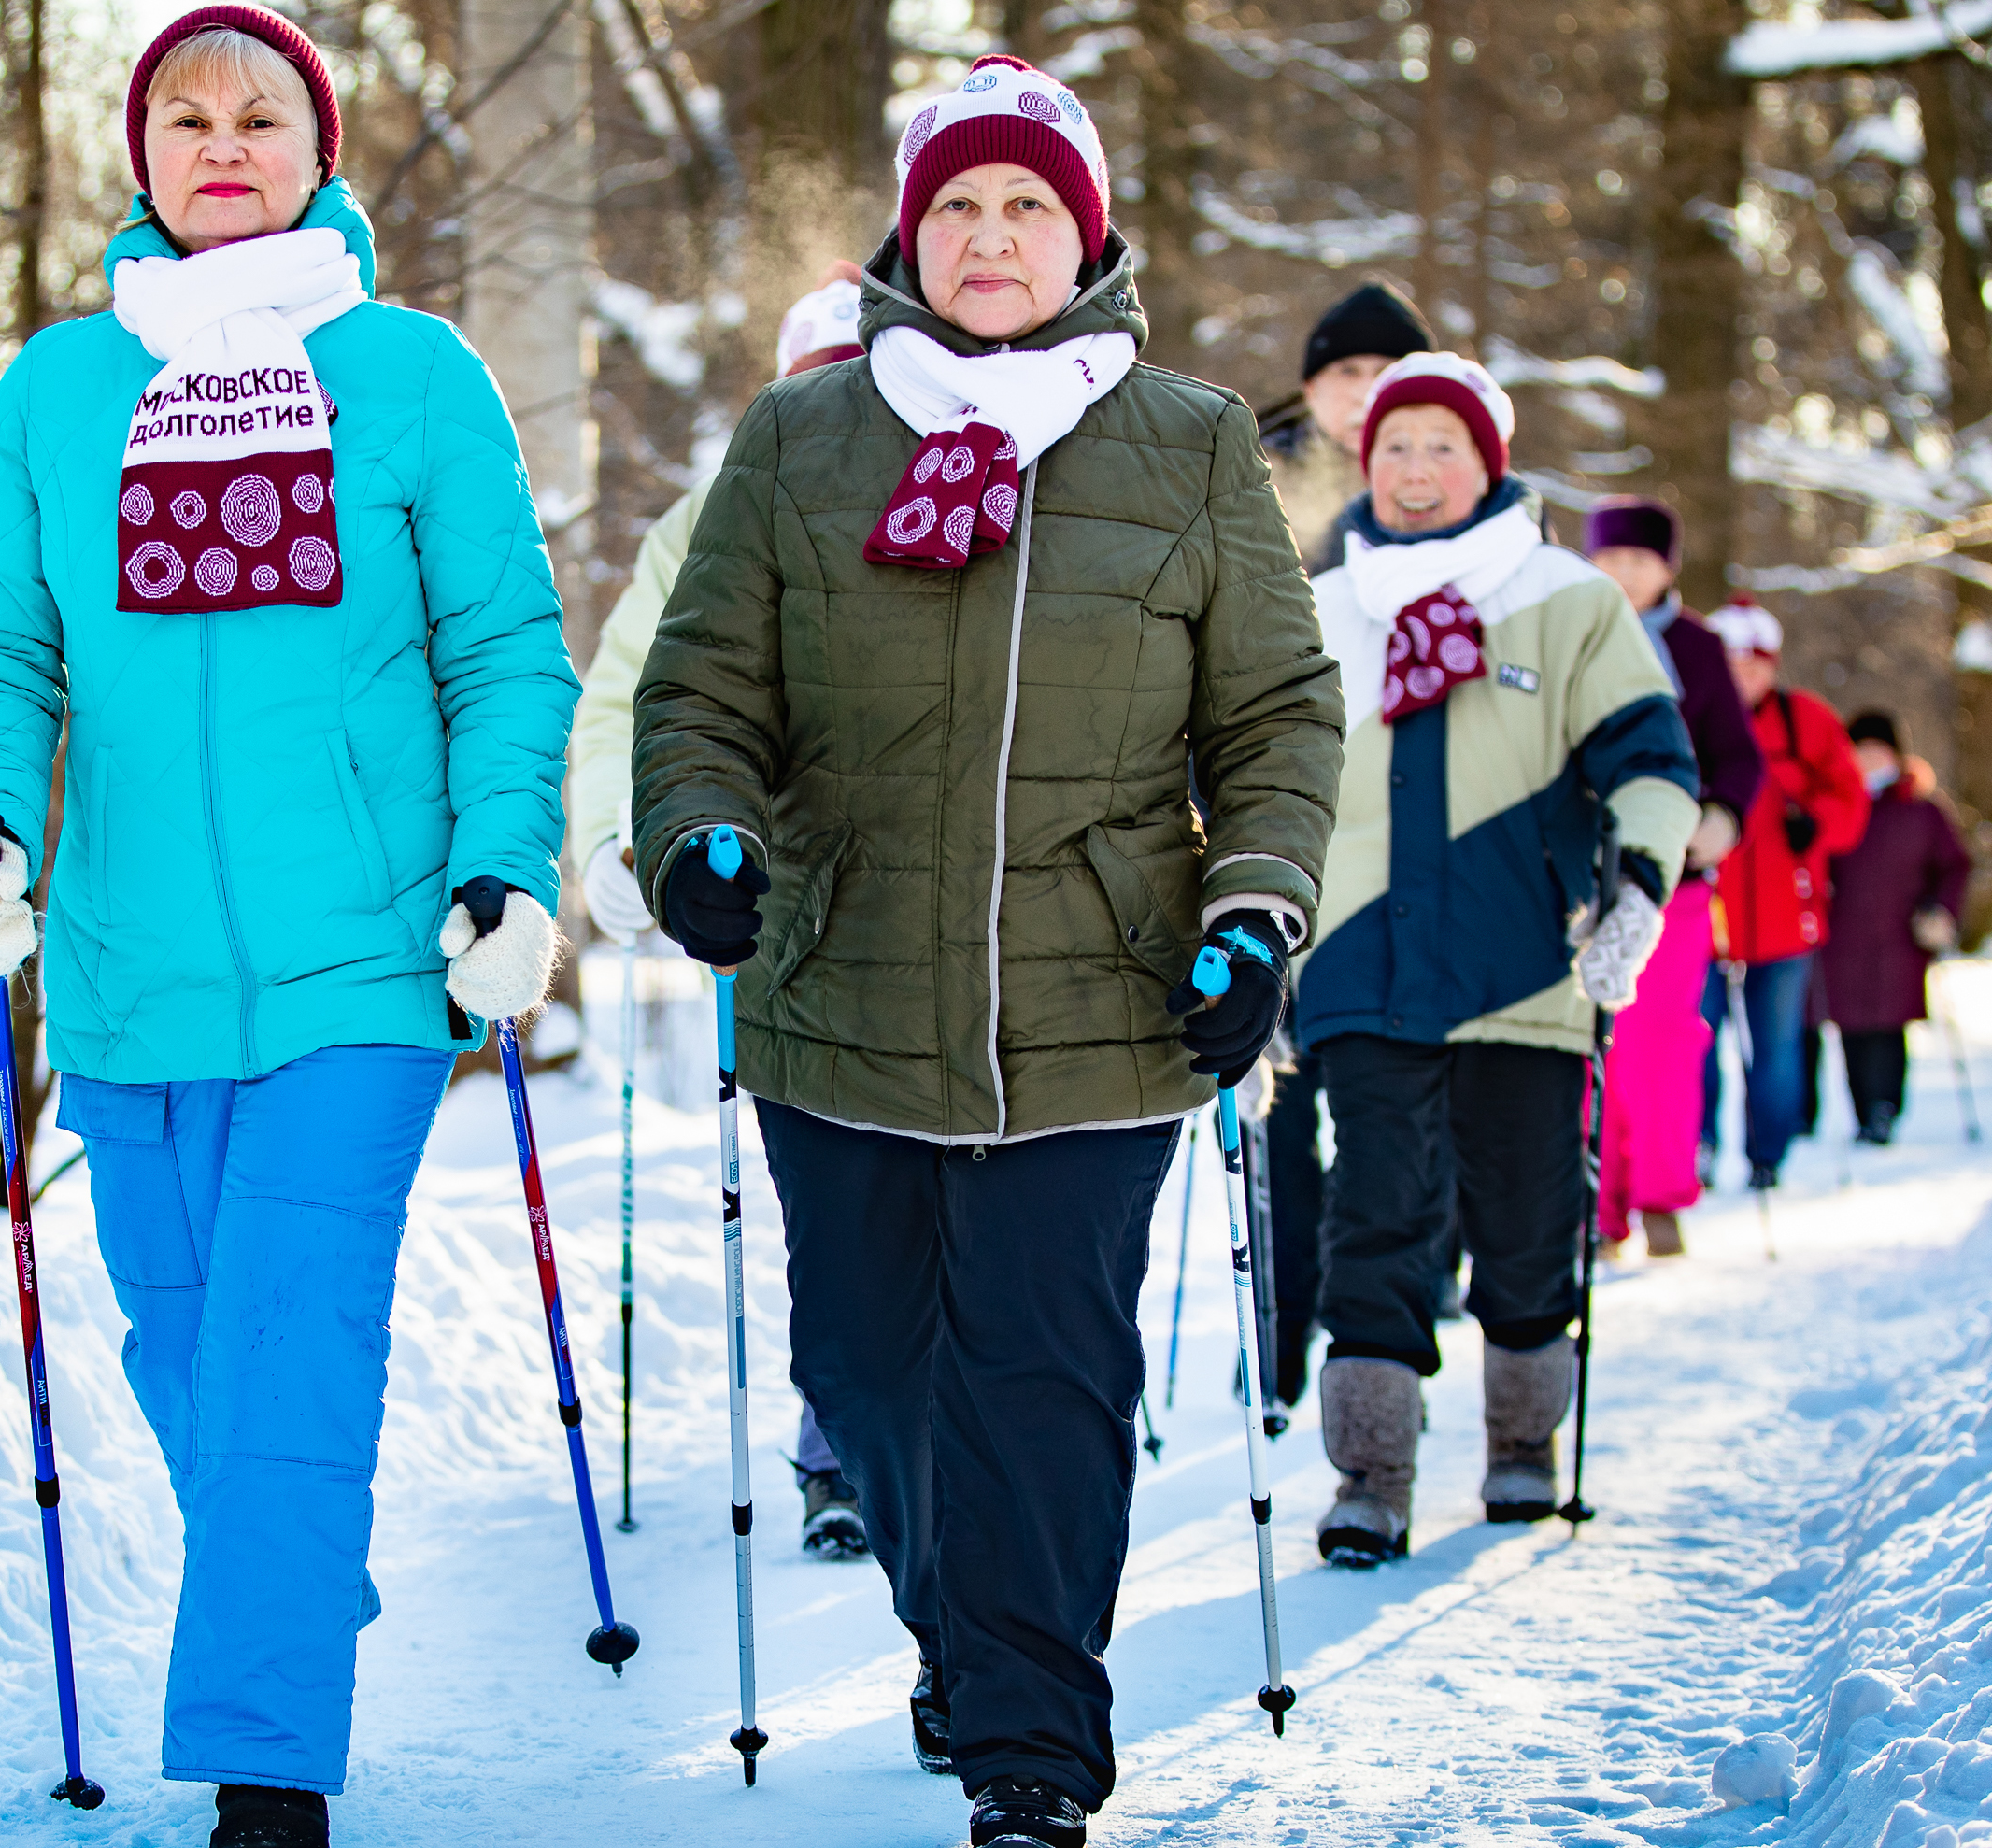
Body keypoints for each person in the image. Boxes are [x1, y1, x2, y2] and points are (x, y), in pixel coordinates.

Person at [630, 54, 1341, 1848]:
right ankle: (959, 1625)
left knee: (1044, 1371)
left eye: (1028, 202)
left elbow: (1273, 714)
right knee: (870, 1369)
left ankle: (1034, 1742)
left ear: (1085, 233)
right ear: (909, 231)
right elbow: (704, 681)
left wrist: (1252, 907)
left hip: (1104, 1003)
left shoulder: (1182, 439)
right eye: (958, 202)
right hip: (840, 984)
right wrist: (698, 828)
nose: (990, 234)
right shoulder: (803, 438)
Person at [0, 10, 576, 1843]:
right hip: (127, 974)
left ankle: (262, 1766)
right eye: (187, 116)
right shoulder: (58, 389)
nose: (226, 141)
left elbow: (503, 653)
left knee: (290, 1342)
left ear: (319, 145)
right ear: (141, 157)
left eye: (262, 112)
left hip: (362, 963)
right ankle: (290, 1578)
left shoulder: (413, 374)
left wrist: (500, 861)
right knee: (189, 1347)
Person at [1291, 353, 1698, 1568]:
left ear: (1490, 462)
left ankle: (1523, 1445)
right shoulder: (1320, 609)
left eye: (1443, 446)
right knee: (1377, 1219)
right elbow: (1264, 785)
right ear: (1369, 464)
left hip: (1526, 972)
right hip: (1362, 974)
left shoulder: (1567, 601)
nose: (1418, 470)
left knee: (1527, 1220)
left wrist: (1638, 884)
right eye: (1396, 446)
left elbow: (1654, 764)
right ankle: (1372, 1473)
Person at [564, 274, 873, 1562]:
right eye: (809, 380)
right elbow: (626, 699)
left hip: (966, 912)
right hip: (773, 915)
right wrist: (629, 848)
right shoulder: (711, 520)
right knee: (840, 1209)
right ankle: (843, 1447)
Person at [1259, 276, 1436, 1399]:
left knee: (1393, 1100)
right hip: (1278, 808)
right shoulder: (1253, 463)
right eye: (1343, 375)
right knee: (1279, 1084)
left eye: (1383, 375)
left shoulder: (1453, 483)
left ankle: (1375, 1326)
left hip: (1403, 829)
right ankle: (1277, 1337)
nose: (1361, 396)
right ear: (1313, 386)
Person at [1580, 498, 1762, 1256]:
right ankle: (1598, 1204)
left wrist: (1720, 816)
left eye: (1639, 560)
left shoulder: (1696, 645)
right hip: (1581, 873)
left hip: (1673, 878)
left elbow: (1737, 754)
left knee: (1659, 1040)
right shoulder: (1569, 628)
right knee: (1589, 1045)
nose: (1624, 574)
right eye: (1611, 559)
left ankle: (1659, 1195)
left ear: (1667, 567)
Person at [1701, 596, 1870, 1193]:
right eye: (1730, 662)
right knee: (1696, 1043)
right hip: (1705, 916)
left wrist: (1816, 822)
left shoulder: (1807, 721)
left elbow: (1850, 800)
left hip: (1783, 917)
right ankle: (1697, 1148)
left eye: (1755, 663)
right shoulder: (1688, 715)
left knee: (1774, 1048)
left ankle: (1767, 1152)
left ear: (1772, 665)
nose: (1743, 675)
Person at [1812, 712, 1970, 1144]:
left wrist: (1941, 910)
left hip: (1900, 935)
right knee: (1852, 1028)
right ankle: (1863, 1110)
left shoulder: (1921, 809)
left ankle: (1885, 1110)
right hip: (1842, 937)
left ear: (1896, 755)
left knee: (1889, 1025)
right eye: (1860, 751)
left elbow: (1954, 865)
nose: (1869, 760)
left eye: (1878, 751)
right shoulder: (1835, 804)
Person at [1259, 280, 1434, 569]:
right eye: (1348, 372)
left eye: (1388, 372)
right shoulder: (1251, 481)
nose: (1366, 394)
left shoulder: (1471, 488)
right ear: (1311, 391)